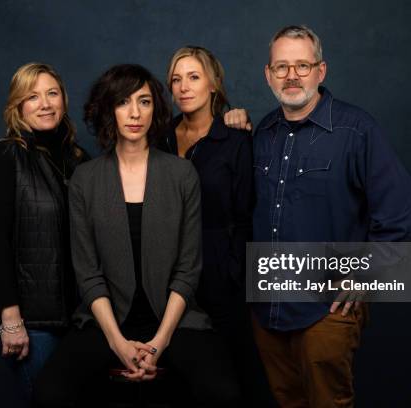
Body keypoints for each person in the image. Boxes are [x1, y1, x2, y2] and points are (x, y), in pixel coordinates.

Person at [33, 64, 240, 407]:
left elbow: (188, 269)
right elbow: (87, 273)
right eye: (123, 102)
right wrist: (117, 342)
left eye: (144, 102)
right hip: (106, 321)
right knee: (49, 394)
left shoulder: (181, 173)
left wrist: (158, 343)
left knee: (224, 393)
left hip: (174, 317)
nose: (134, 113)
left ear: (155, 109)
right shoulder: (86, 178)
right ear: (107, 110)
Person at [249, 25, 411, 407]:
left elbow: (401, 207)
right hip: (268, 309)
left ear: (321, 71)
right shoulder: (263, 132)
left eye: (302, 66)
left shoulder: (355, 129)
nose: (291, 76)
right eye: (281, 67)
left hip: (326, 309)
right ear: (268, 74)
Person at [160, 46, 273, 406]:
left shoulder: (235, 139)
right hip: (165, 274)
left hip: (221, 274)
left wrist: (235, 272)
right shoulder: (157, 138)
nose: (183, 87)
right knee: (177, 375)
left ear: (213, 84)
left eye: (193, 77)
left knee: (233, 373)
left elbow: (246, 215)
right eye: (176, 79)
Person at [0, 62, 88, 400]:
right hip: (30, 320)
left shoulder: (76, 159)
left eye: (52, 93)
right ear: (18, 106)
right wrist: (11, 320)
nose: (45, 104)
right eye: (33, 96)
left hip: (72, 314)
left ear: (64, 100)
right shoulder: (7, 156)